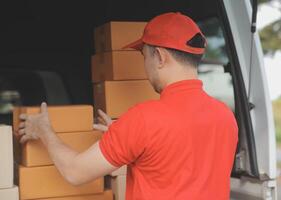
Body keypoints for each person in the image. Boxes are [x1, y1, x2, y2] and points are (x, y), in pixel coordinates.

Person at [17, 12, 238, 200]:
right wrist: (126, 141)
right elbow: (183, 167)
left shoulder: (143, 119)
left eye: (144, 56)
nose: (145, 66)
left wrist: (44, 131)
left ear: (159, 57)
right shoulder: (225, 116)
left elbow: (75, 172)